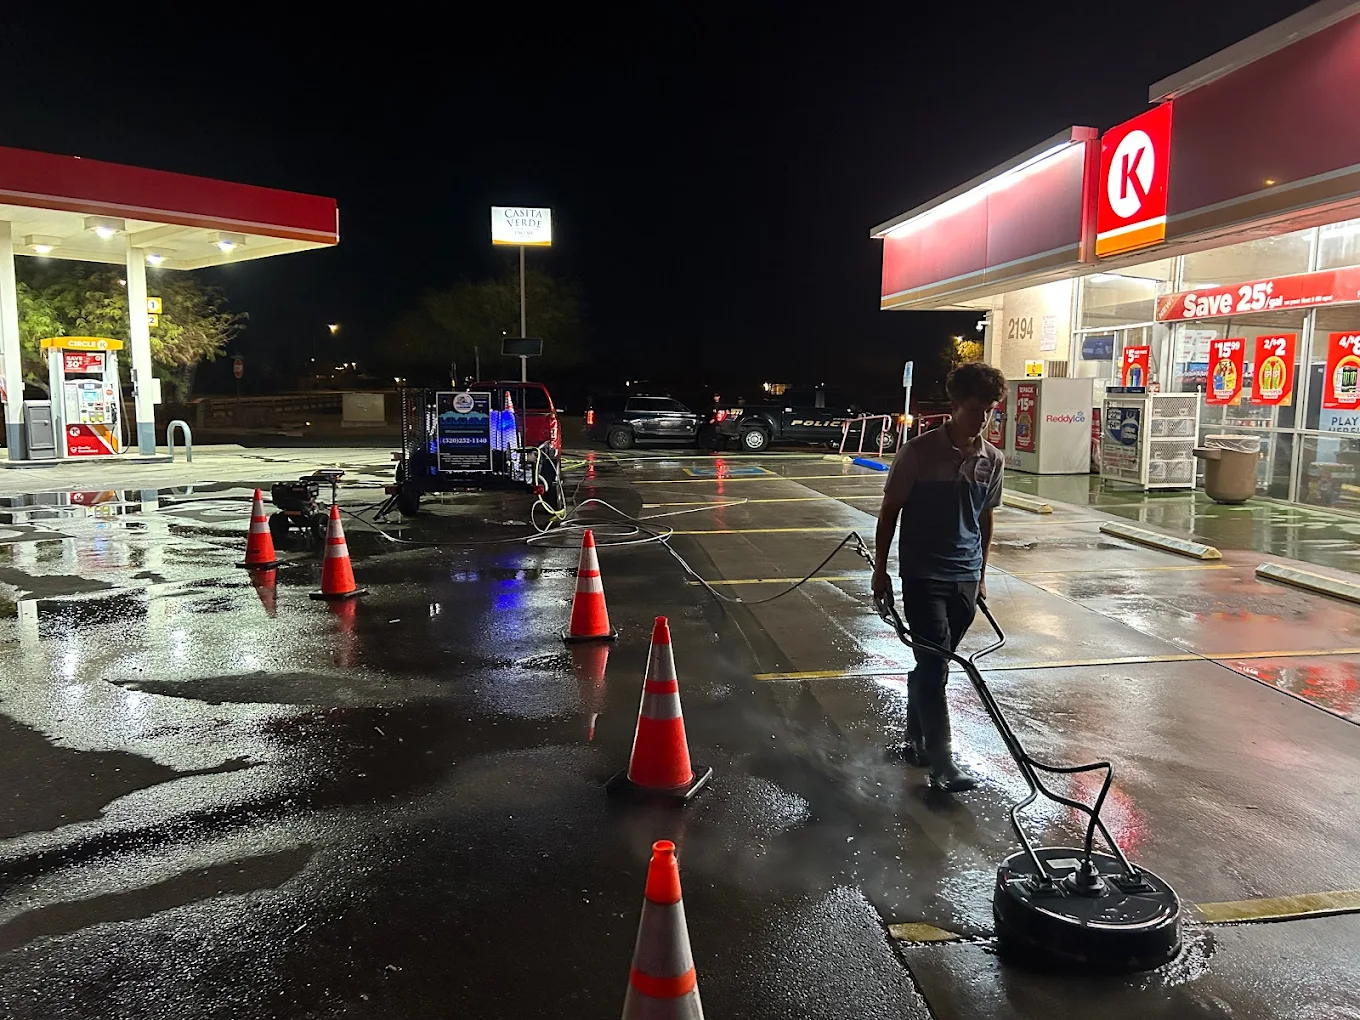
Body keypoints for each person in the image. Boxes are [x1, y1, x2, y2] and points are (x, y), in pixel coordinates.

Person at [872, 362, 1006, 792]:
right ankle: (942, 760)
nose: (982, 419)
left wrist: (982, 574)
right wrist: (881, 571)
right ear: (954, 407)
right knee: (933, 662)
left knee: (935, 664)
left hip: (965, 576)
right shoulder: (917, 453)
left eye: (989, 411)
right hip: (923, 573)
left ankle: (916, 737)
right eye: (974, 409)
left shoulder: (993, 460)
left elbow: (985, 519)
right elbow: (889, 512)